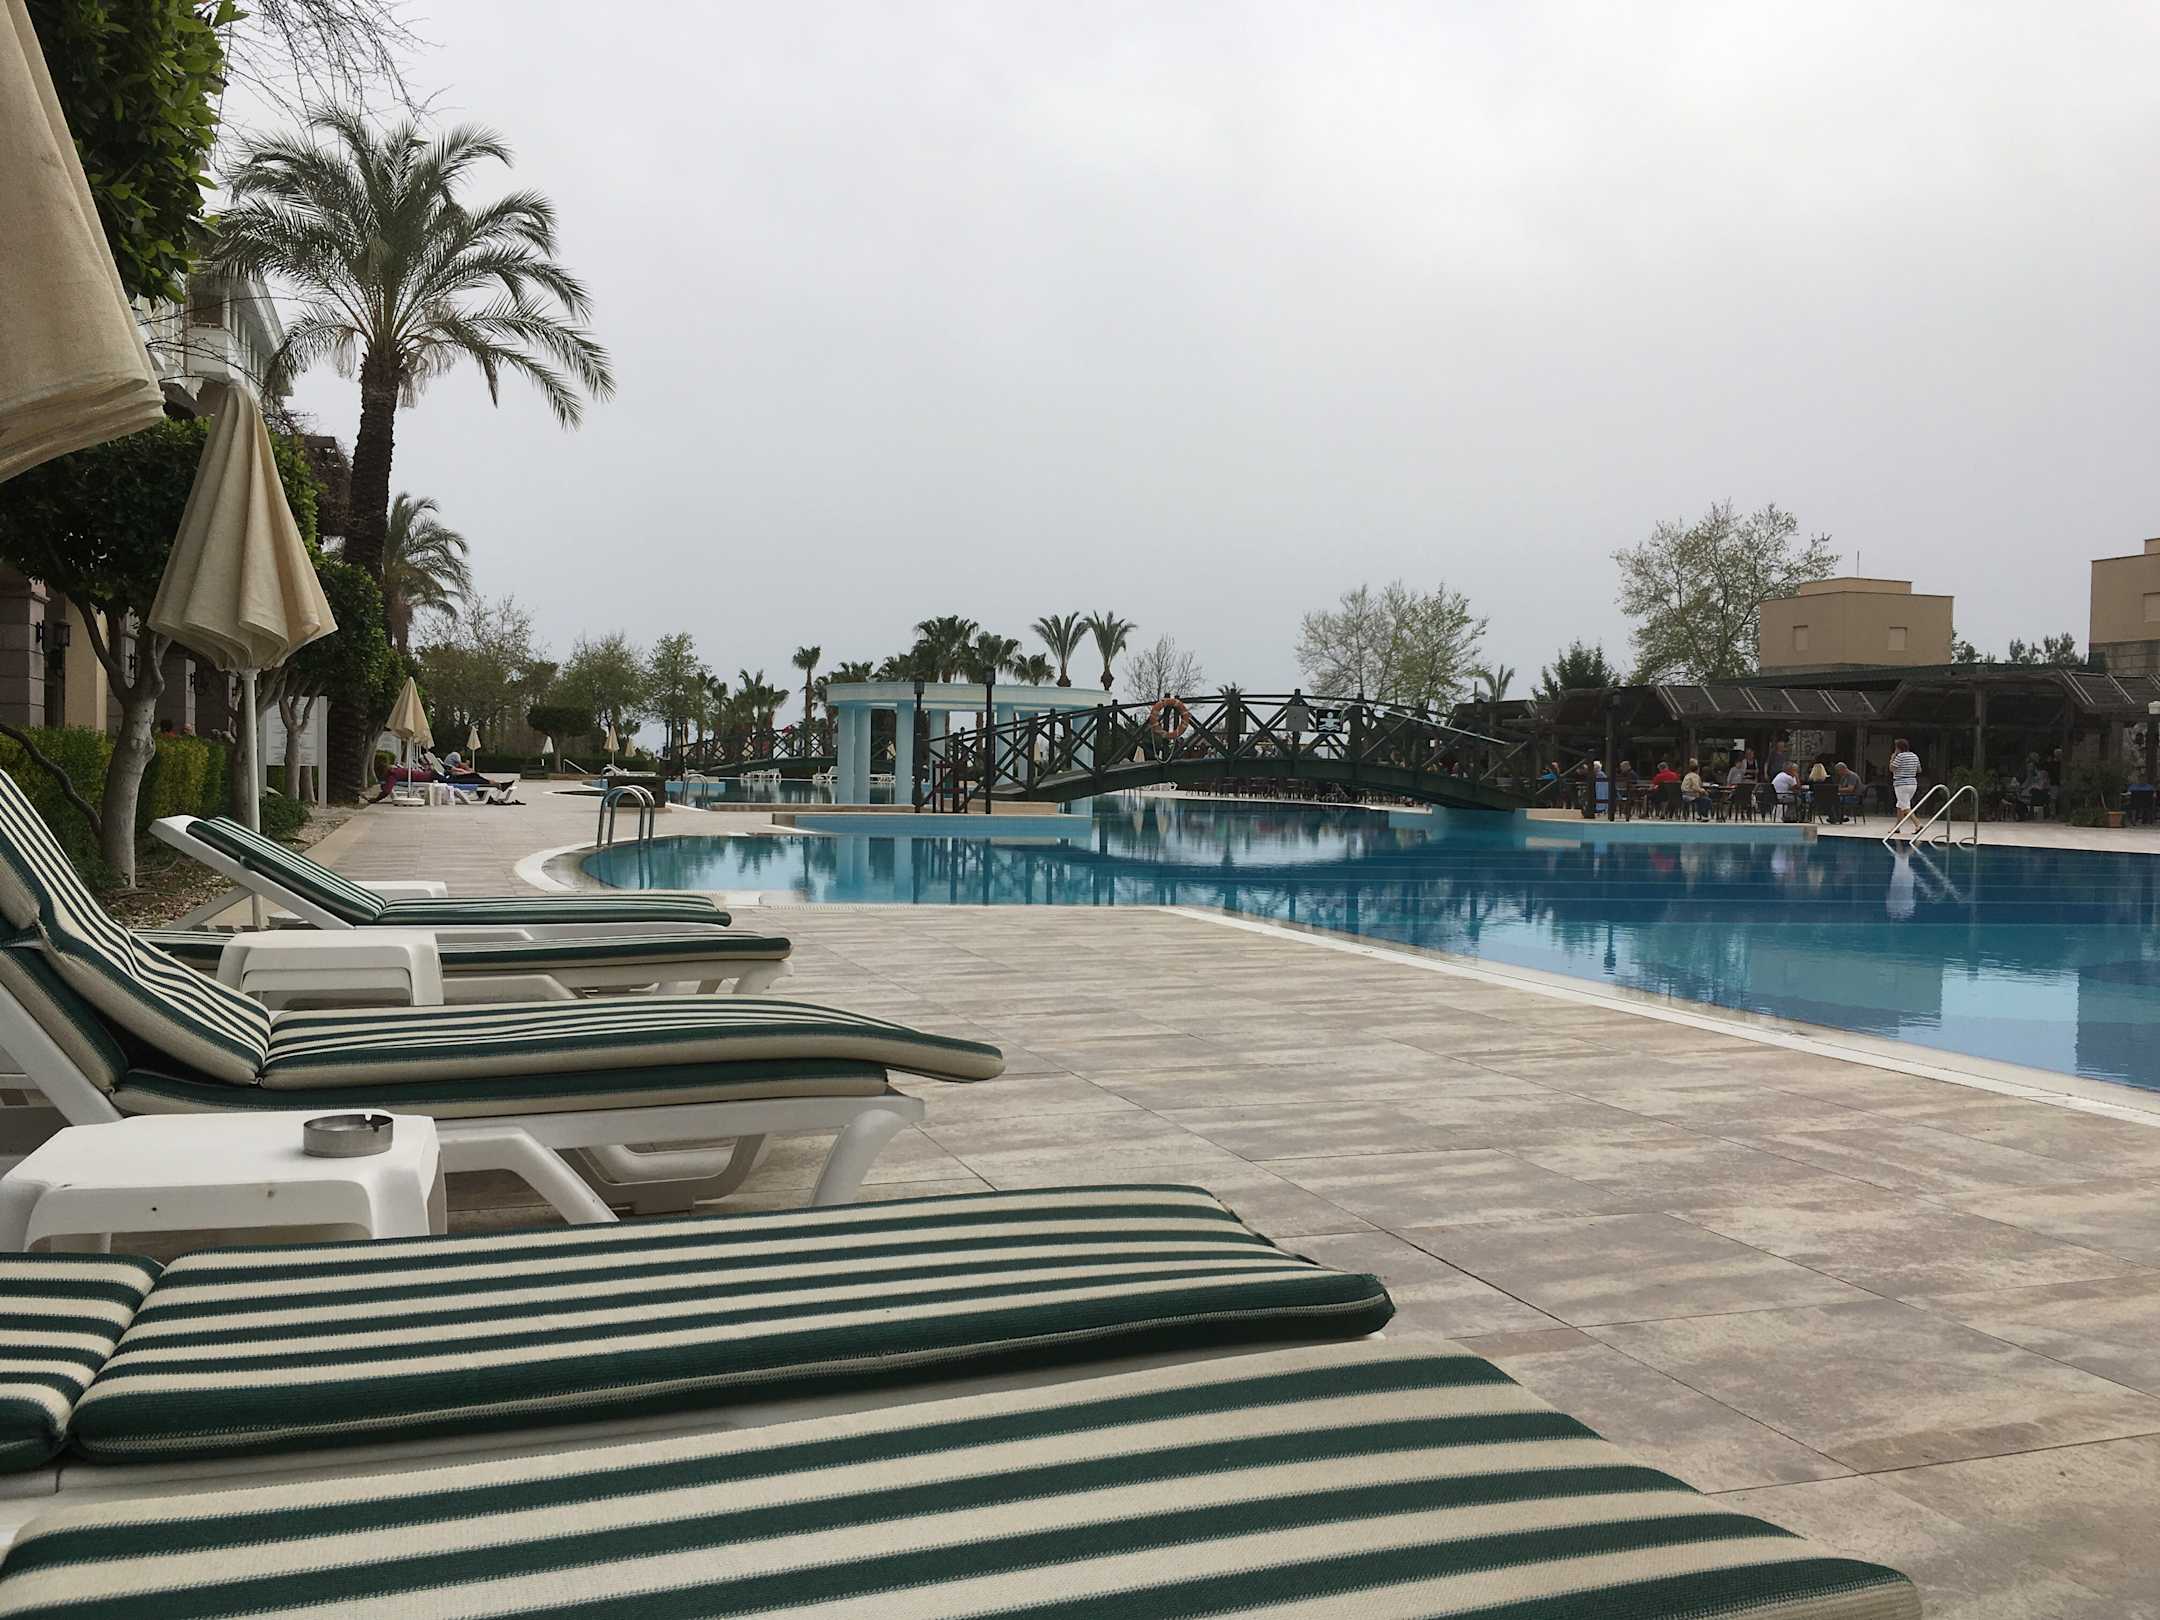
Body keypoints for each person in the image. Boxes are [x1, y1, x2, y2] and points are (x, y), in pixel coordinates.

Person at [1887, 737, 1922, 836]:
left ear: (1898, 748)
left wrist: (1892, 758)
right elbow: (1919, 770)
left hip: (1901, 784)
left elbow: (1892, 768)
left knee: (1905, 806)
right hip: (1913, 783)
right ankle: (1897, 827)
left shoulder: (1900, 756)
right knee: (1900, 805)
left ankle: (1918, 824)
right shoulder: (1914, 756)